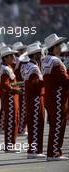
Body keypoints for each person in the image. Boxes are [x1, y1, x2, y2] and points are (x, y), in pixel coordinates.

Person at [41, 33, 68, 161]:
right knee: (58, 125)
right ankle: (53, 152)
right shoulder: (55, 62)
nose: (61, 47)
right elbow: (64, 80)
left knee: (54, 125)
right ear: (54, 47)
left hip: (50, 97)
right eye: (58, 45)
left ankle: (53, 151)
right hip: (57, 98)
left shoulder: (46, 59)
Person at [22, 43, 46, 159]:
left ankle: (34, 150)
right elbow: (34, 85)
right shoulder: (33, 67)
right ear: (35, 54)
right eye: (39, 53)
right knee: (37, 124)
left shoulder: (28, 66)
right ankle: (34, 151)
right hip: (36, 98)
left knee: (34, 125)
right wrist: (45, 81)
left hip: (31, 98)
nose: (41, 55)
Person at [0, 47, 20, 152]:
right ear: (5, 58)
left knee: (13, 121)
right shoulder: (5, 69)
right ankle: (10, 145)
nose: (13, 57)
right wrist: (15, 90)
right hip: (10, 98)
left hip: (11, 97)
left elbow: (10, 83)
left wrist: (18, 85)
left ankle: (11, 144)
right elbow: (5, 85)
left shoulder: (7, 67)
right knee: (11, 121)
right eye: (11, 56)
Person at [12, 42, 28, 135]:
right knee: (22, 109)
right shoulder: (19, 61)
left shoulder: (19, 60)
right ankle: (21, 128)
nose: (23, 51)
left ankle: (21, 128)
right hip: (20, 86)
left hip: (19, 85)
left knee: (21, 109)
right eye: (21, 50)